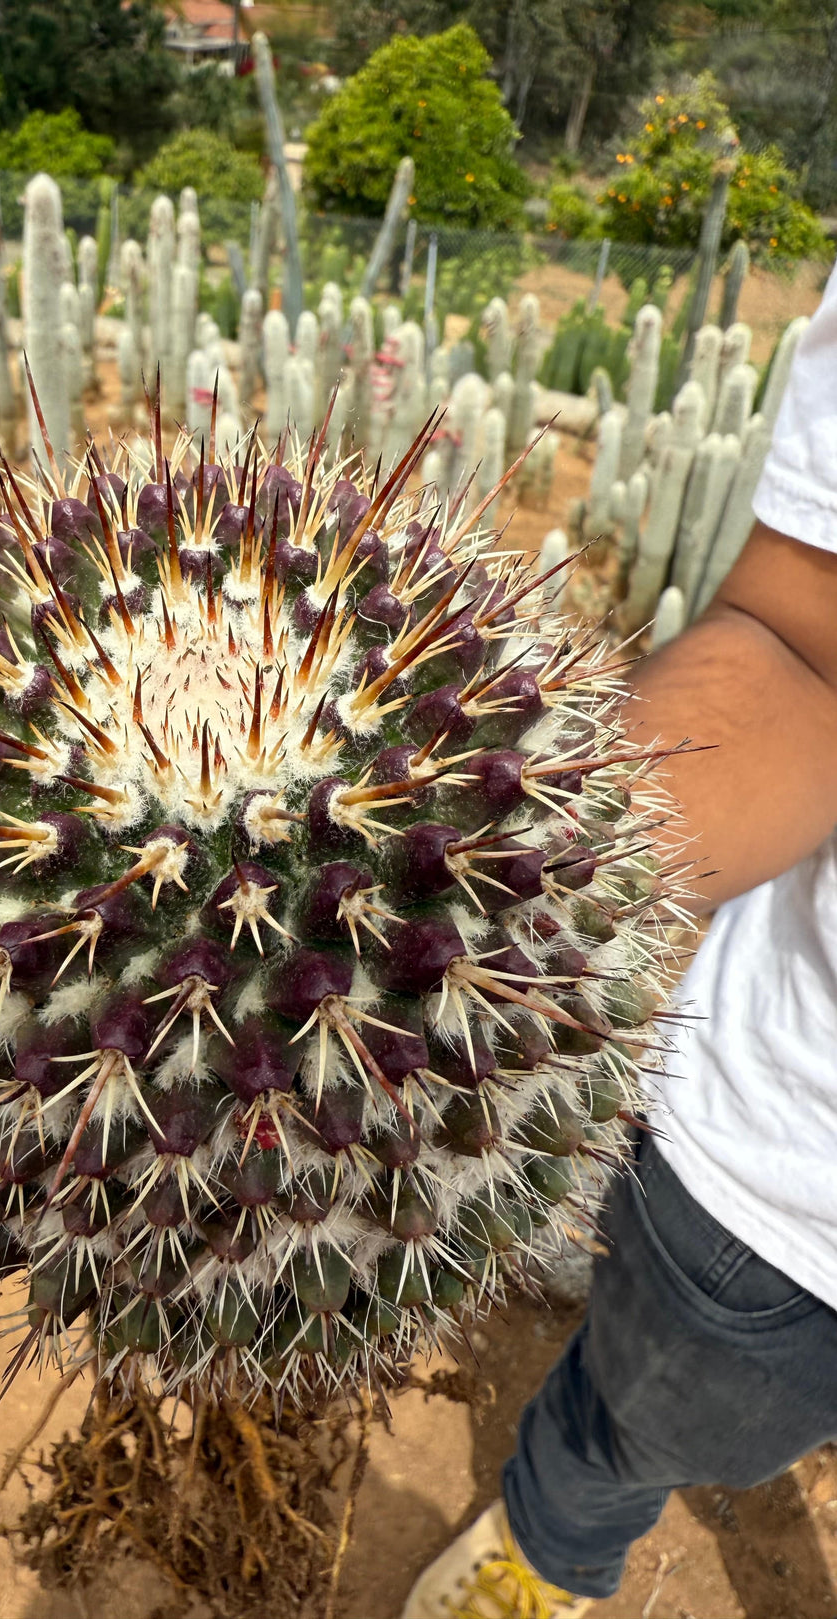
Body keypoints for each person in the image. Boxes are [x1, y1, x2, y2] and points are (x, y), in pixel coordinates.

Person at [404, 265, 837, 1619]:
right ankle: (547, 1559)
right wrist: (483, 893)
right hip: (786, 1209)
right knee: (634, 1432)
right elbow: (802, 643)